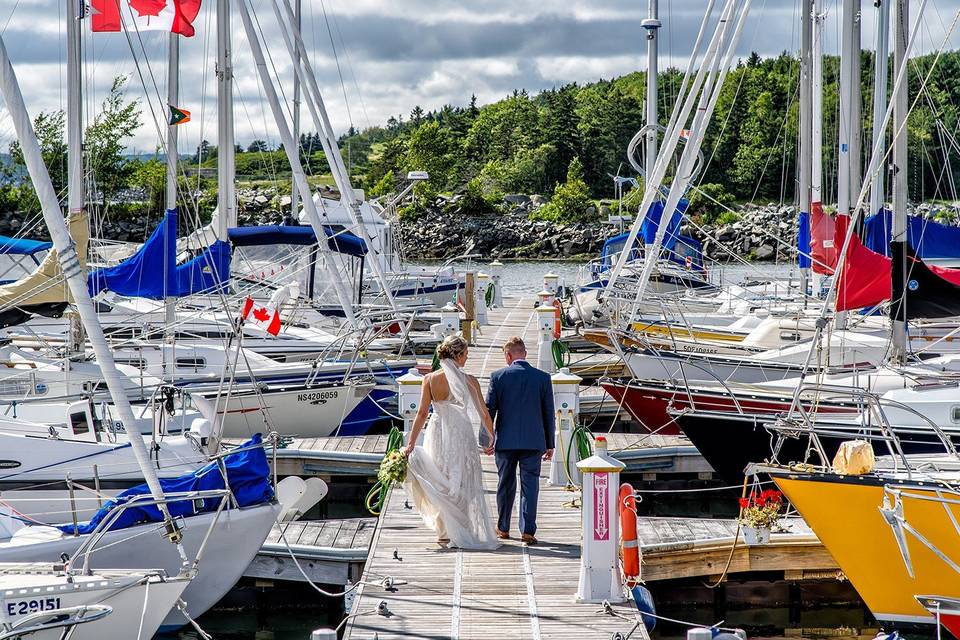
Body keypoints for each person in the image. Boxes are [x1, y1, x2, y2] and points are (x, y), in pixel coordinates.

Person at [402, 335, 499, 549]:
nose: (466, 358)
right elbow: (483, 413)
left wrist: (411, 443)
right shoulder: (470, 380)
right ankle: (460, 527)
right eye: (465, 354)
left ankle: (443, 530)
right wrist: (491, 436)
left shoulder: (429, 379)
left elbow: (421, 414)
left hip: (437, 429)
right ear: (458, 354)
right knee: (462, 476)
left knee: (439, 476)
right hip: (460, 432)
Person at [485, 336, 555, 545]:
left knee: (505, 484)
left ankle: (503, 528)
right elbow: (548, 413)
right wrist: (550, 443)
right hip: (534, 441)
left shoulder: (497, 376)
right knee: (530, 484)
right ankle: (528, 531)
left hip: (505, 441)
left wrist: (488, 439)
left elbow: (489, 411)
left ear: (508, 356)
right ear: (524, 353)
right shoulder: (542, 378)